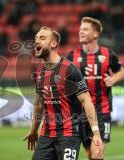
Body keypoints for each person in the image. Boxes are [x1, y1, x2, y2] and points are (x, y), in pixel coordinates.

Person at [23, 26, 103, 160]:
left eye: (42, 38)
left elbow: (86, 100)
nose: (37, 41)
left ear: (53, 44)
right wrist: (33, 130)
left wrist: (96, 133)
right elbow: (39, 103)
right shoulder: (38, 72)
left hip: (69, 134)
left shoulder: (70, 70)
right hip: (46, 135)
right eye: (36, 38)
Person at [67, 17, 124, 159]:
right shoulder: (72, 55)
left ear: (95, 34)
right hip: (79, 113)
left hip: (102, 110)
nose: (81, 32)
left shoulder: (107, 54)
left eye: (85, 29)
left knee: (96, 153)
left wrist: (113, 79)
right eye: (80, 29)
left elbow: (121, 71)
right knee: (90, 154)